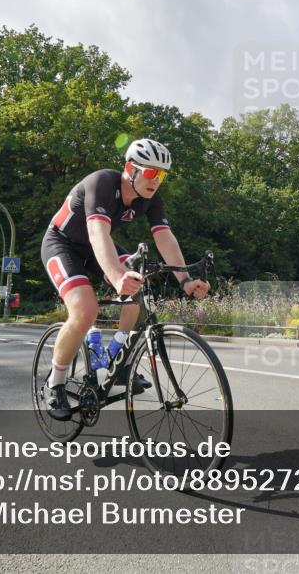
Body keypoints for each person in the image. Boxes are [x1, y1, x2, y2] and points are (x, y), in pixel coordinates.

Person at [40, 139, 210, 419]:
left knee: (138, 284)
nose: (157, 180)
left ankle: (120, 361)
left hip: (98, 246)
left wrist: (185, 280)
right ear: (131, 168)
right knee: (85, 310)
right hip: (63, 243)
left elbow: (164, 238)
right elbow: (97, 234)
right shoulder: (101, 183)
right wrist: (117, 276)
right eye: (152, 172)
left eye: (163, 174)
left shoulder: (151, 198)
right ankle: (54, 383)